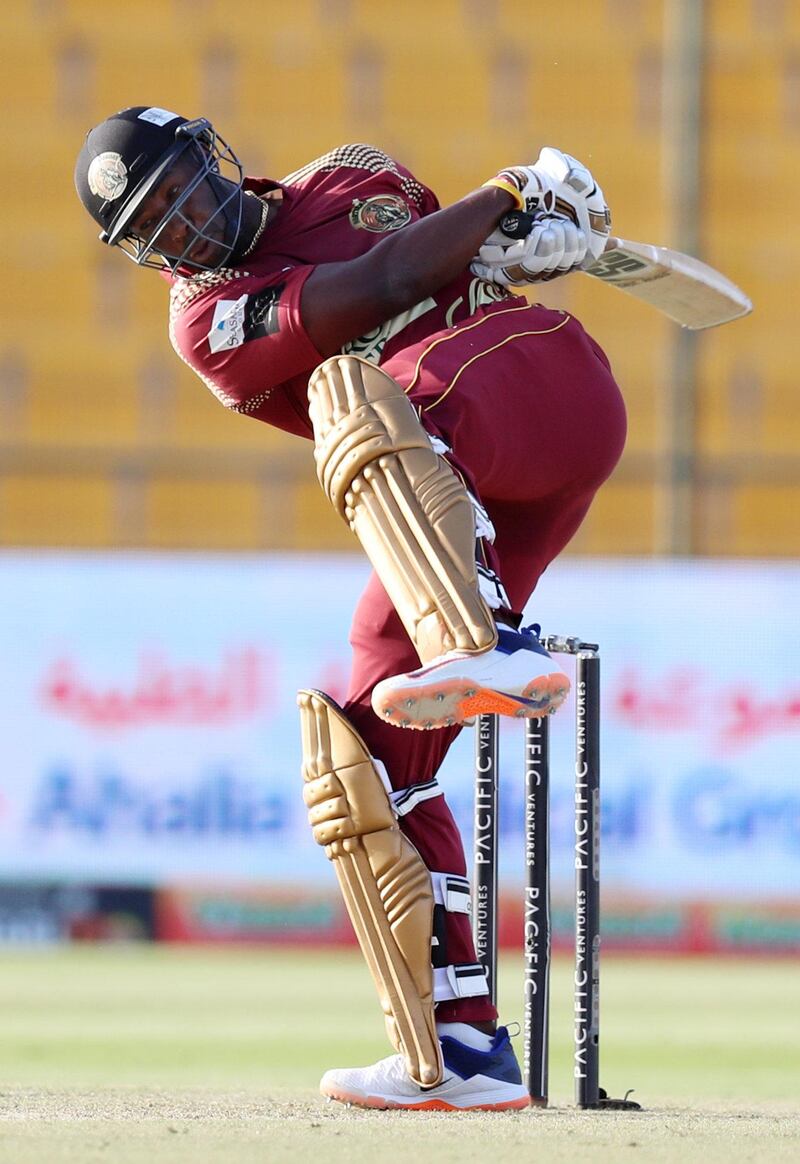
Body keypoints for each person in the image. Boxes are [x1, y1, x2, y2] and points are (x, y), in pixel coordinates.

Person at [75, 107, 627, 1111]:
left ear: (213, 157)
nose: (184, 231)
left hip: (542, 389)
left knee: (360, 392)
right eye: (154, 229)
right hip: (458, 490)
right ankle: (460, 1053)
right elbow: (381, 282)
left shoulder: (351, 173)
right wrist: (510, 195)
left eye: (180, 194)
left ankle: (488, 640)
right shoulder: (208, 317)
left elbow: (451, 270)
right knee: (361, 754)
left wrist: (535, 242)